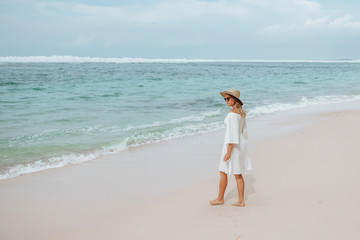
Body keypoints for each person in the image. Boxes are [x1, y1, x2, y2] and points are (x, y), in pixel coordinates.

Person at [210, 88, 252, 207]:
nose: (226, 101)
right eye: (225, 99)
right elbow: (244, 132)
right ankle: (241, 201)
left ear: (234, 99)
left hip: (232, 145)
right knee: (238, 173)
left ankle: (220, 198)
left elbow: (232, 135)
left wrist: (228, 152)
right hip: (240, 144)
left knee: (222, 171)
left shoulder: (232, 115)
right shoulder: (241, 113)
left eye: (228, 98)